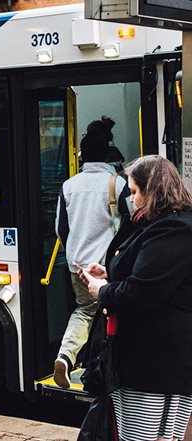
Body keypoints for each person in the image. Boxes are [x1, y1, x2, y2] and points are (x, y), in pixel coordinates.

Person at [79, 155, 192, 441]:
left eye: (134, 191)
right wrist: (111, 272)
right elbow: (152, 273)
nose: (132, 199)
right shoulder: (168, 224)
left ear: (152, 190)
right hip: (156, 359)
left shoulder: (171, 229)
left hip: (155, 364)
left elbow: (142, 292)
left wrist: (102, 291)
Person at [53, 117, 130, 389]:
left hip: (78, 266)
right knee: (112, 313)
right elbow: (130, 225)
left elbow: (61, 229)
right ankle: (103, 369)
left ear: (83, 155)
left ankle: (65, 356)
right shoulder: (118, 184)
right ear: (107, 154)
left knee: (84, 312)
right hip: (109, 266)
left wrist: (74, 253)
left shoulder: (69, 185)